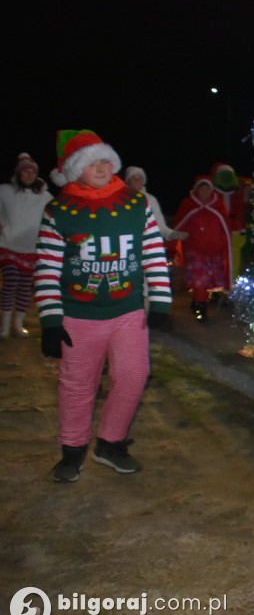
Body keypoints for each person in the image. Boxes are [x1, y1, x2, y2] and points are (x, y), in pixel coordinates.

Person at [35, 130, 172, 482]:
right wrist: (51, 321)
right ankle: (72, 451)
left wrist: (160, 300)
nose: (100, 167)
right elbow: (48, 268)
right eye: (90, 162)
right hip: (77, 318)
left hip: (127, 313)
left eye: (104, 160)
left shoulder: (134, 203)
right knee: (78, 385)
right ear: (73, 170)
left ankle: (110, 443)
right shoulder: (59, 210)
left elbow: (154, 253)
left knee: (132, 376)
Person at [1, 153, 52, 338]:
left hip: (31, 247)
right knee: (11, 282)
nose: (29, 175)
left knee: (24, 287)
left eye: (32, 172)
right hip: (8, 244)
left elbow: (55, 215)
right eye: (25, 172)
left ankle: (18, 324)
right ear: (18, 173)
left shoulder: (44, 196)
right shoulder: (5, 191)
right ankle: (4, 326)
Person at [173, 175, 232, 322]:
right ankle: (201, 308)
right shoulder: (187, 204)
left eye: (207, 187)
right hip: (194, 250)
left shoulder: (218, 206)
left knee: (208, 280)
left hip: (215, 251)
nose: (205, 190)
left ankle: (197, 302)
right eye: (202, 187)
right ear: (196, 189)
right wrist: (171, 247)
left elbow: (225, 228)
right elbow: (178, 226)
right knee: (200, 280)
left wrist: (224, 246)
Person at [124, 166, 187, 241]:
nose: (137, 180)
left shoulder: (150, 199)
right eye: (133, 178)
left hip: (146, 242)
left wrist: (169, 234)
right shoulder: (121, 198)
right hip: (126, 241)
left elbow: (159, 223)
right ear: (128, 181)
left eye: (140, 178)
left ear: (144, 181)